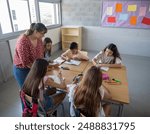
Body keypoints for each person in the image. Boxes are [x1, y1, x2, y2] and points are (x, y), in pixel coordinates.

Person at [13, 23, 47, 88]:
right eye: (42, 33)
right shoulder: (23, 41)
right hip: (22, 69)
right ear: (36, 31)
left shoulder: (39, 39)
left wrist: (42, 66)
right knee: (26, 89)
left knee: (35, 87)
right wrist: (39, 71)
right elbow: (26, 62)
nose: (43, 36)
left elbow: (41, 53)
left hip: (34, 67)